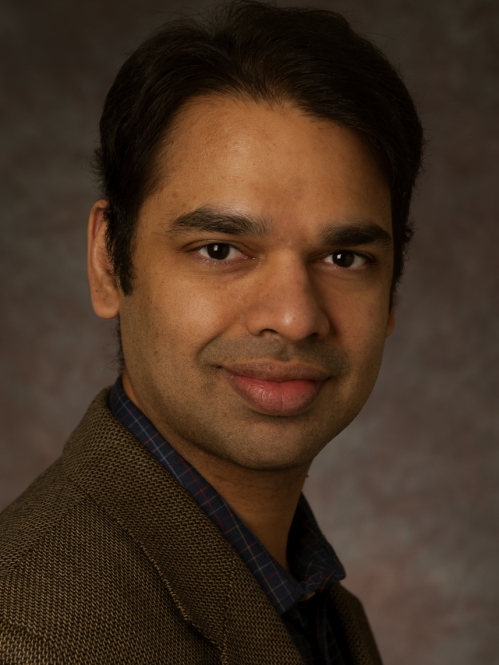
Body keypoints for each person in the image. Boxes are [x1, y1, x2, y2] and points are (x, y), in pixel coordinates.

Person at [0, 1, 423, 663]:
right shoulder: (31, 635)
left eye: (344, 258)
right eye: (220, 250)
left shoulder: (325, 612)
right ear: (109, 261)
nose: (292, 316)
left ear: (391, 287)